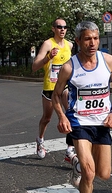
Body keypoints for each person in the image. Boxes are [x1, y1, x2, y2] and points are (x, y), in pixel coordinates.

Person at [51, 21, 112, 193]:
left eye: (95, 38)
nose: (92, 43)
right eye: (87, 39)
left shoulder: (108, 61)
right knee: (90, 173)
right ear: (78, 41)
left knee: (104, 174)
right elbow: (56, 95)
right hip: (79, 123)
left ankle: (77, 167)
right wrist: (62, 116)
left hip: (102, 124)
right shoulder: (69, 67)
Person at [32, 18, 73, 159]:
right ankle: (40, 140)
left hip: (65, 87)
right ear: (53, 29)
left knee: (70, 116)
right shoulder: (48, 44)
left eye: (65, 27)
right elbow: (34, 66)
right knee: (47, 118)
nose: (62, 29)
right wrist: (48, 57)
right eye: (59, 26)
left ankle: (70, 149)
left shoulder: (70, 45)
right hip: (50, 87)